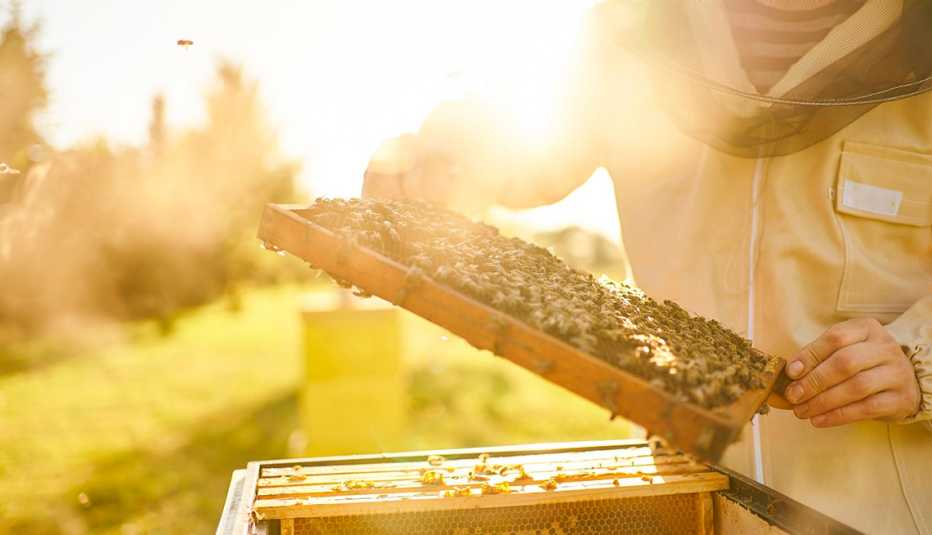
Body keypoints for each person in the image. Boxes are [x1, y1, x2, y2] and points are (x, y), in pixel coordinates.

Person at [362, 1, 932, 533]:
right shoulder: (636, 26)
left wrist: (919, 363)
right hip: (681, 498)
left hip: (882, 511)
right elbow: (528, 142)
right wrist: (439, 162)